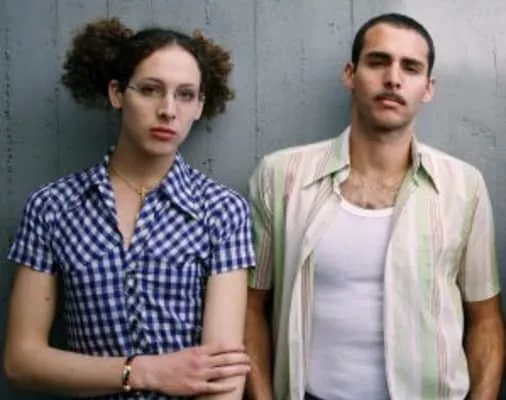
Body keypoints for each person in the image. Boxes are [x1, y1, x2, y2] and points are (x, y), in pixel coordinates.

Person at [245, 12, 504, 400]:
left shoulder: (464, 187)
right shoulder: (281, 177)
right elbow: (249, 308)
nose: (393, 78)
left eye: (410, 68)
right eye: (378, 61)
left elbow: (485, 321)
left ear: (428, 88)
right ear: (350, 74)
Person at [4, 17, 256, 400]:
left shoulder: (222, 211)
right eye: (150, 90)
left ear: (200, 105)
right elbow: (21, 360)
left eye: (185, 94)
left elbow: (222, 378)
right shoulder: (52, 208)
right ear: (117, 93)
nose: (168, 110)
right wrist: (142, 371)